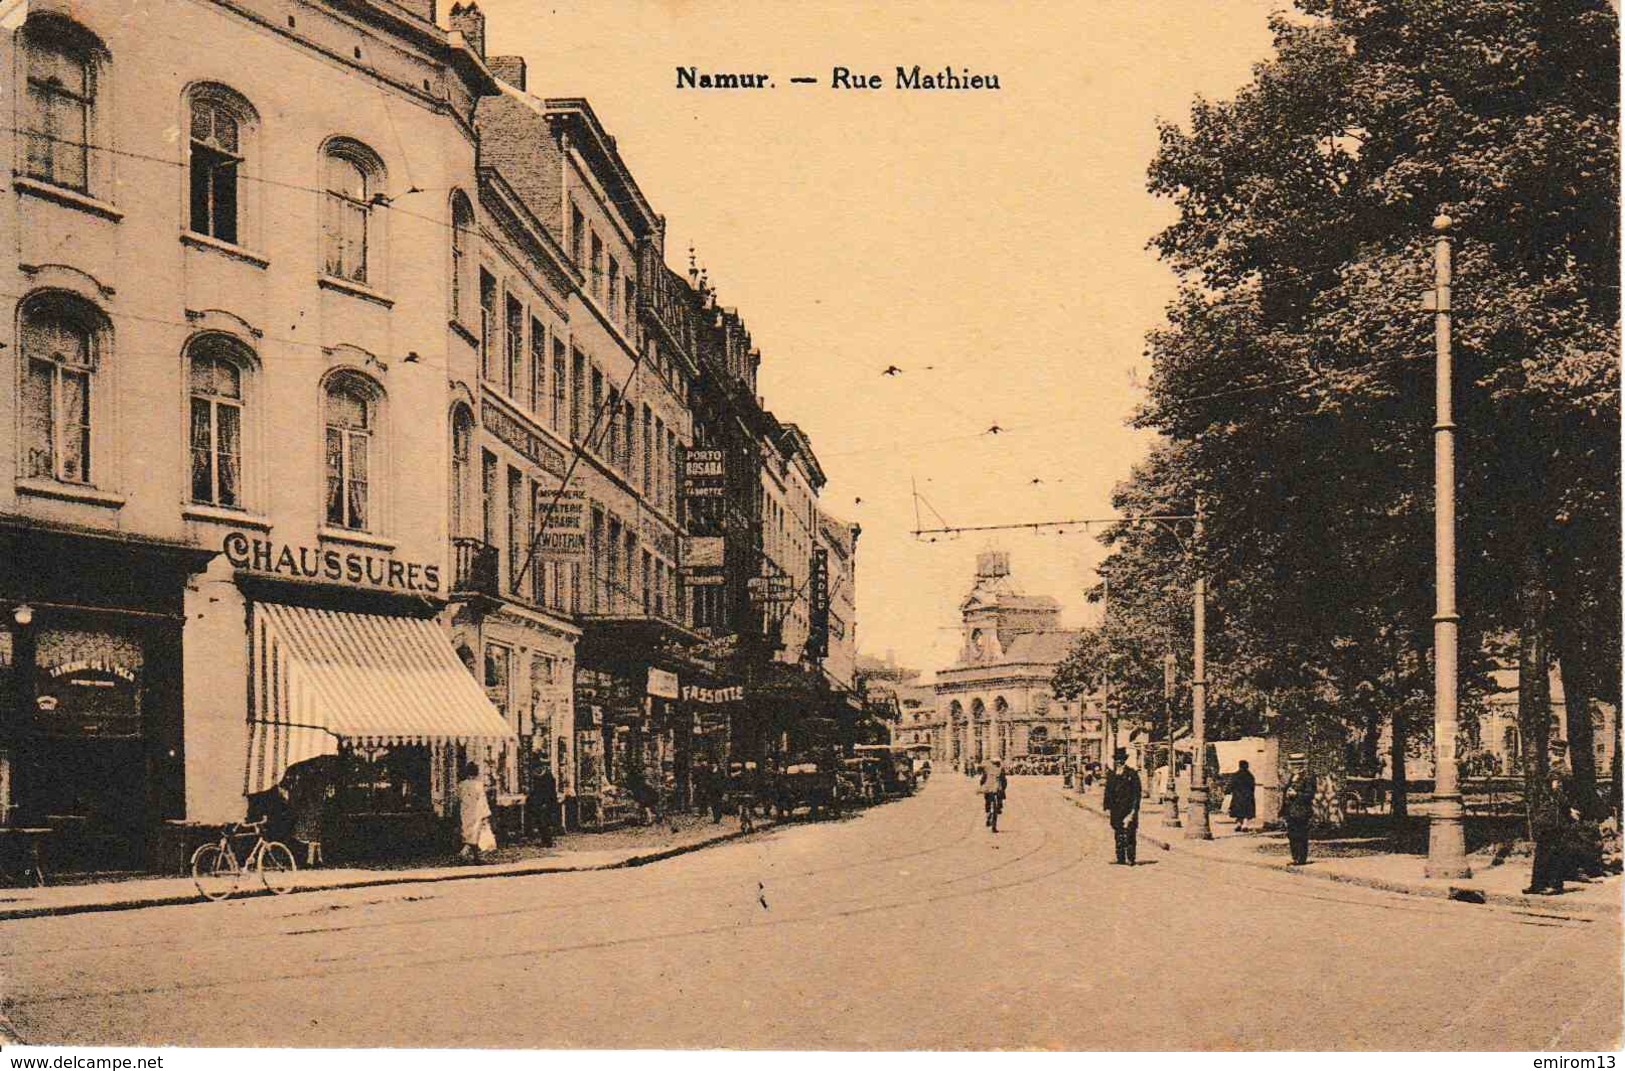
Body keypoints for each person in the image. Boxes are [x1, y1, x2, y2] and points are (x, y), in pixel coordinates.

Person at [1526, 739, 1576, 895]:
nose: (1548, 755)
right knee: (1543, 849)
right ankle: (1538, 884)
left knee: (1552, 850)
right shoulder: (1558, 769)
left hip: (1554, 816)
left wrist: (1568, 812)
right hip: (1551, 815)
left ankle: (1554, 885)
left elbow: (1558, 794)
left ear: (1555, 753)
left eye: (1550, 752)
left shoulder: (1558, 771)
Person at [1104, 748, 1142, 865]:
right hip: (1116, 810)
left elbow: (1137, 793)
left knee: (1130, 834)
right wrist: (1107, 807)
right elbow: (1108, 792)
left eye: (1121, 760)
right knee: (1118, 833)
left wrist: (1133, 811)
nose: (1119, 762)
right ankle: (1120, 858)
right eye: (1117, 760)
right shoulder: (1111, 775)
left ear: (1125, 761)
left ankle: (1130, 858)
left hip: (1128, 808)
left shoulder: (1132, 774)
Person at [1281, 754, 1316, 865]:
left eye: (1295, 764)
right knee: (1292, 835)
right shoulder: (1292, 777)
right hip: (1290, 811)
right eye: (1292, 764)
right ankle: (1295, 857)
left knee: (1301, 835)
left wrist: (1296, 794)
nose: (1292, 767)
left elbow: (1310, 794)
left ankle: (1301, 858)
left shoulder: (1308, 777)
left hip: (1302, 811)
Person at [457, 761, 494, 864]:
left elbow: (459, 797)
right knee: (475, 835)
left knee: (468, 834)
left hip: (465, 811)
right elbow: (482, 800)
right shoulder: (478, 785)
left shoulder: (461, 785)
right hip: (476, 812)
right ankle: (464, 854)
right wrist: (486, 814)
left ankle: (475, 857)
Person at [527, 755, 558, 848]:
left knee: (543, 821)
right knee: (542, 821)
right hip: (541, 801)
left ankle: (547, 841)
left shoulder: (545, 776)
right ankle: (546, 840)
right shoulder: (546, 775)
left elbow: (549, 791)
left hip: (545, 801)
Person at [979, 758, 1008, 832]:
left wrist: (983, 787)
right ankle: (994, 826)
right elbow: (1004, 782)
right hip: (997, 791)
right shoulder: (1001, 771)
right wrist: (1003, 789)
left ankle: (988, 814)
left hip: (988, 790)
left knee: (988, 803)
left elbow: (982, 780)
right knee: (998, 806)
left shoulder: (987, 770)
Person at [1229, 759, 1258, 833]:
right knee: (1246, 811)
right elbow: (1252, 786)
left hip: (1237, 796)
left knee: (1238, 810)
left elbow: (1231, 785)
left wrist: (1230, 792)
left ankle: (1239, 824)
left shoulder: (1236, 775)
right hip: (1247, 795)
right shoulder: (1250, 776)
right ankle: (1244, 825)